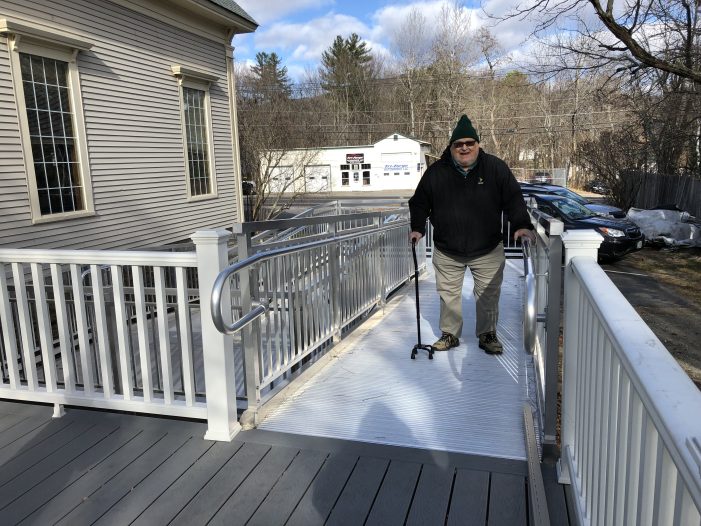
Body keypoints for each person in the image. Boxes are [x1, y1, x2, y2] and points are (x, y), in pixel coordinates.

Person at [408, 114, 535, 354]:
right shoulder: (437, 173)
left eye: (469, 143)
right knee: (448, 296)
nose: (464, 148)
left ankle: (487, 335)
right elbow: (419, 202)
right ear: (451, 147)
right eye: (459, 144)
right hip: (447, 249)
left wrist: (521, 224)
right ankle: (450, 334)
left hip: (487, 247)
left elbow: (513, 198)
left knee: (488, 295)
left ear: (477, 144)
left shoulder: (495, 168)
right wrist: (417, 227)